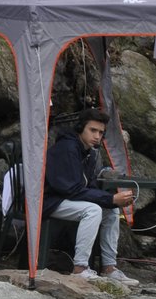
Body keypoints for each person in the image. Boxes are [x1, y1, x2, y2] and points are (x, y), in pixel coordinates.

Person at [44, 108, 138, 285]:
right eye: (92, 130)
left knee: (110, 211)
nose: (97, 136)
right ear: (81, 128)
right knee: (94, 210)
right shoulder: (67, 148)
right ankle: (80, 269)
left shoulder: (87, 151)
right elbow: (71, 189)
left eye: (101, 132)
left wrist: (112, 202)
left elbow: (88, 185)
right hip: (49, 201)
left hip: (67, 199)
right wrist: (110, 199)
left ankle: (109, 267)